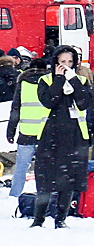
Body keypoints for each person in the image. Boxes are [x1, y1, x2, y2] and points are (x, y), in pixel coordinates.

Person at [32, 45, 93, 228]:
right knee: (45, 179)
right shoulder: (45, 80)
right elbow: (49, 100)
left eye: (70, 62)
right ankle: (38, 219)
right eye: (62, 62)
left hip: (74, 136)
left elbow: (84, 103)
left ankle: (61, 219)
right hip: (50, 135)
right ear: (55, 63)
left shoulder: (80, 80)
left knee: (68, 179)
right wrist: (58, 80)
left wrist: (73, 81)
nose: (66, 66)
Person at [5, 58, 51, 197]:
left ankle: (15, 195)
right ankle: (45, 194)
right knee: (46, 168)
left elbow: (16, 109)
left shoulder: (23, 82)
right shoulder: (50, 82)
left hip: (26, 132)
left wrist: (11, 131)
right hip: (46, 132)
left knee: (21, 168)